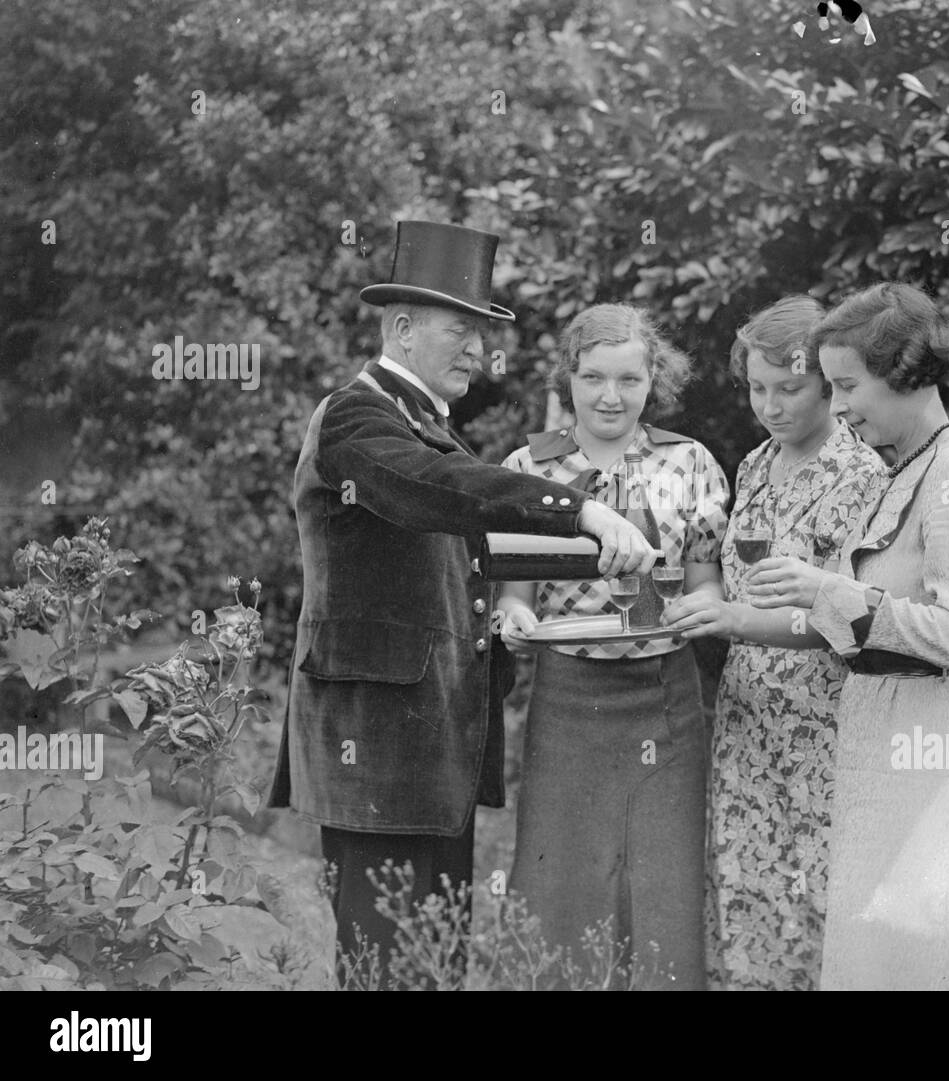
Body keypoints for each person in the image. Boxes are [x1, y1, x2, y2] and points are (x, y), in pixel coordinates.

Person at [266, 221, 656, 988]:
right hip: (375, 750)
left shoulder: (426, 424)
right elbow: (436, 493)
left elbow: (451, 551)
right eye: (463, 329)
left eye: (485, 331)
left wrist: (503, 617)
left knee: (430, 966)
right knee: (389, 969)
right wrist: (578, 510)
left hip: (428, 751)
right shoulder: (356, 415)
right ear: (403, 328)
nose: (481, 350)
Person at [710, 282, 949, 990]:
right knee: (868, 966)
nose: (839, 405)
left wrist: (831, 592)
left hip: (930, 751)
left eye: (847, 385)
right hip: (884, 743)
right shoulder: (907, 470)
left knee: (913, 967)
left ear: (903, 372)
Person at [495, 303, 729, 990]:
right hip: (570, 696)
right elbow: (516, 593)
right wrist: (513, 620)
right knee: (560, 881)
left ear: (652, 379)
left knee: (663, 883)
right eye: (593, 377)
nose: (609, 396)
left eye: (629, 379)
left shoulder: (689, 463)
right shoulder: (527, 467)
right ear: (569, 378)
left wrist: (699, 608)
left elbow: (708, 584)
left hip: (665, 695)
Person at [684, 295, 886, 990]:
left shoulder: (866, 477)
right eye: (756, 388)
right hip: (747, 727)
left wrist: (736, 621)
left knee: (823, 912)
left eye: (789, 388)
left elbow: (848, 619)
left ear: (829, 381)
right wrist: (709, 602)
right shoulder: (750, 467)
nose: (770, 406)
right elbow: (725, 578)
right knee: (746, 904)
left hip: (824, 731)